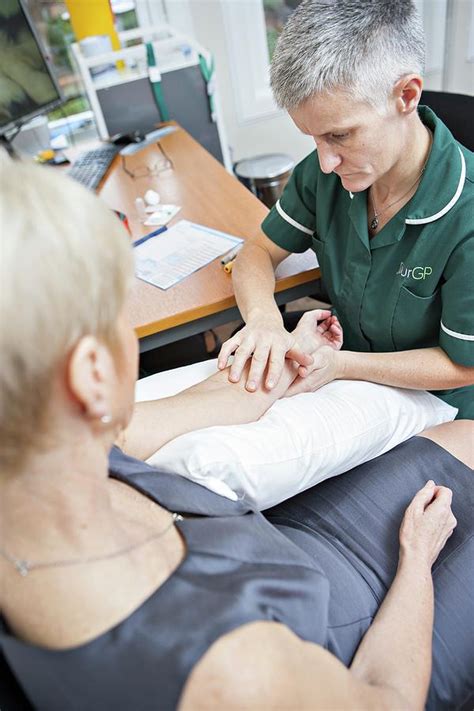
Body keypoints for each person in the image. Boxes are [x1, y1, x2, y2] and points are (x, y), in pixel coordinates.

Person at [0, 152, 473, 711]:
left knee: (460, 439)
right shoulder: (230, 672)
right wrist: (416, 562)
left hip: (276, 554)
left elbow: (186, 409)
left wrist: (287, 361)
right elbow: (388, 702)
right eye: (117, 319)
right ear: (91, 377)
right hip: (349, 655)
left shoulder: (64, 441)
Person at [218, 0, 474, 418]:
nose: (325, 162)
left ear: (406, 96)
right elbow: (257, 253)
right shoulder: (328, 175)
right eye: (314, 138)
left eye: (340, 135)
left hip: (439, 411)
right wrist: (264, 321)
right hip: (343, 384)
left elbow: (464, 365)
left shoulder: (466, 216)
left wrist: (344, 366)